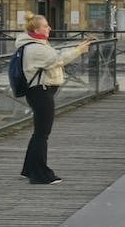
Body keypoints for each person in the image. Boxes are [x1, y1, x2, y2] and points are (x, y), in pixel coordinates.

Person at [17, 14, 94, 185]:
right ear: (36, 30)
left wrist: (77, 48)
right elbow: (57, 59)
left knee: (39, 132)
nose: (49, 28)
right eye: (46, 26)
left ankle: (29, 169)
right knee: (42, 134)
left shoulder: (37, 44)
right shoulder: (36, 48)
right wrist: (79, 50)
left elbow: (55, 55)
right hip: (41, 92)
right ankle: (40, 175)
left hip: (40, 91)